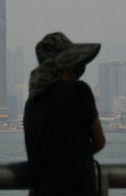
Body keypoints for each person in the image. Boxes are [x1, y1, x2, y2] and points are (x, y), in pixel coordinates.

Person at [23, 32, 106, 196]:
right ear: (68, 64)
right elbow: (99, 141)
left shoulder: (31, 103)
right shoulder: (78, 91)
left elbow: (38, 154)